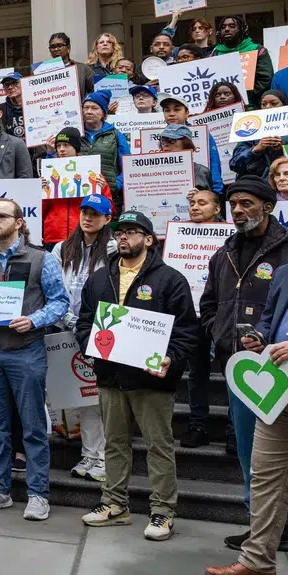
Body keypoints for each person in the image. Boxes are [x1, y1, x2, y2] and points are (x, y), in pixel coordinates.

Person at [199, 177, 288, 571]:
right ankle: (264, 542)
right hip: (252, 374)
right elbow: (223, 306)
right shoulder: (228, 251)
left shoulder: (287, 251)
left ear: (267, 206)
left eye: (247, 203)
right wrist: (244, 337)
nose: (238, 210)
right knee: (259, 461)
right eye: (233, 204)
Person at [74, 209, 197, 539]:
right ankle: (115, 503)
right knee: (114, 443)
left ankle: (162, 511)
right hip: (111, 376)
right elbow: (84, 323)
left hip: (151, 379)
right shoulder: (100, 279)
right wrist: (94, 344)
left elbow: (187, 329)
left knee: (159, 446)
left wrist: (171, 357)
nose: (123, 237)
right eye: (120, 232)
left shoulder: (170, 279)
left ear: (149, 239)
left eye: (132, 231)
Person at [0, 199, 70, 521]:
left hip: (26, 351)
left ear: (20, 222)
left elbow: (60, 302)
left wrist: (35, 320)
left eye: (1, 215)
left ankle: (38, 494)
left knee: (33, 426)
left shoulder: (41, 259)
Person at [51, 195, 115, 482]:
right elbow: (54, 290)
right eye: (84, 212)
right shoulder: (62, 248)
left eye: (95, 213)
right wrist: (69, 321)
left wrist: (89, 326)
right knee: (81, 398)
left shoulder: (114, 249)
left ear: (108, 218)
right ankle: (90, 455)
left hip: (101, 332)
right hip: (65, 329)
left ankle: (103, 458)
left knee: (100, 399)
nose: (88, 218)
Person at [41, 128, 114, 247]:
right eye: (58, 146)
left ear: (76, 148)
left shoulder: (93, 174)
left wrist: (103, 189)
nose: (61, 149)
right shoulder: (50, 174)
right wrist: (42, 191)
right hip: (54, 235)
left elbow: (109, 208)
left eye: (66, 145)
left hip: (84, 235)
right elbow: (41, 210)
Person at [161, 94, 224, 192]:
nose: (171, 114)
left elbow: (214, 163)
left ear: (187, 113)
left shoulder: (203, 133)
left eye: (177, 109)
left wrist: (215, 192)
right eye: (167, 110)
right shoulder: (157, 135)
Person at [231, 90, 288, 179]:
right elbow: (234, 164)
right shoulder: (249, 131)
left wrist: (283, 150)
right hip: (257, 186)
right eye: (264, 104)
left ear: (285, 105)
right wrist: (256, 149)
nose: (268, 107)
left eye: (274, 103)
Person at [212, 15, 272, 107]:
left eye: (232, 26)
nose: (227, 29)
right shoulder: (215, 53)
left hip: (251, 106)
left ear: (241, 29)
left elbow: (265, 79)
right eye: (223, 27)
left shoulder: (257, 50)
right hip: (223, 109)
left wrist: (239, 96)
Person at [155, 124, 213, 191]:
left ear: (186, 144)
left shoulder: (201, 172)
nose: (165, 144)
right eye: (163, 140)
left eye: (171, 139)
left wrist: (198, 196)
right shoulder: (153, 171)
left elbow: (210, 200)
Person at [49, 31, 97, 97]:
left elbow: (96, 91)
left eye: (60, 45)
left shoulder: (83, 69)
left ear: (68, 48)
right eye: (52, 47)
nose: (56, 49)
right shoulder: (42, 72)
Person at [0, 72, 26, 142]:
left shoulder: (34, 105)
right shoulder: (0, 110)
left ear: (23, 83)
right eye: (6, 85)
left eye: (14, 83)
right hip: (11, 150)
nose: (10, 87)